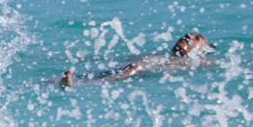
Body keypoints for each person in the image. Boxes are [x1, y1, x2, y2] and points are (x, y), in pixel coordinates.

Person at [59, 32, 214, 87]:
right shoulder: (156, 55)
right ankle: (50, 82)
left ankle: (79, 85)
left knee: (135, 66)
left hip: (138, 69)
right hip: (124, 69)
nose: (188, 36)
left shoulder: (198, 62)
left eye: (197, 38)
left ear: (202, 50)